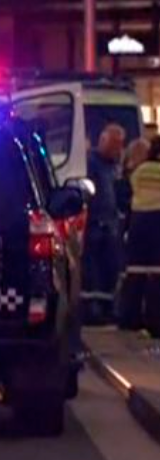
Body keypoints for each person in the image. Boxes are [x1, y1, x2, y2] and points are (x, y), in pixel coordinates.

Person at [82, 124, 127, 324]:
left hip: (109, 224)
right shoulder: (90, 163)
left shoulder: (113, 166)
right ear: (103, 142)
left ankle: (106, 308)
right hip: (94, 224)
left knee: (110, 269)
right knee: (93, 270)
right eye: (115, 145)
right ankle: (93, 311)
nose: (118, 149)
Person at [118, 137, 160, 332]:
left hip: (138, 222)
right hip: (157, 221)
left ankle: (128, 319)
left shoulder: (140, 172)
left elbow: (130, 190)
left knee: (135, 272)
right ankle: (155, 322)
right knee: (156, 275)